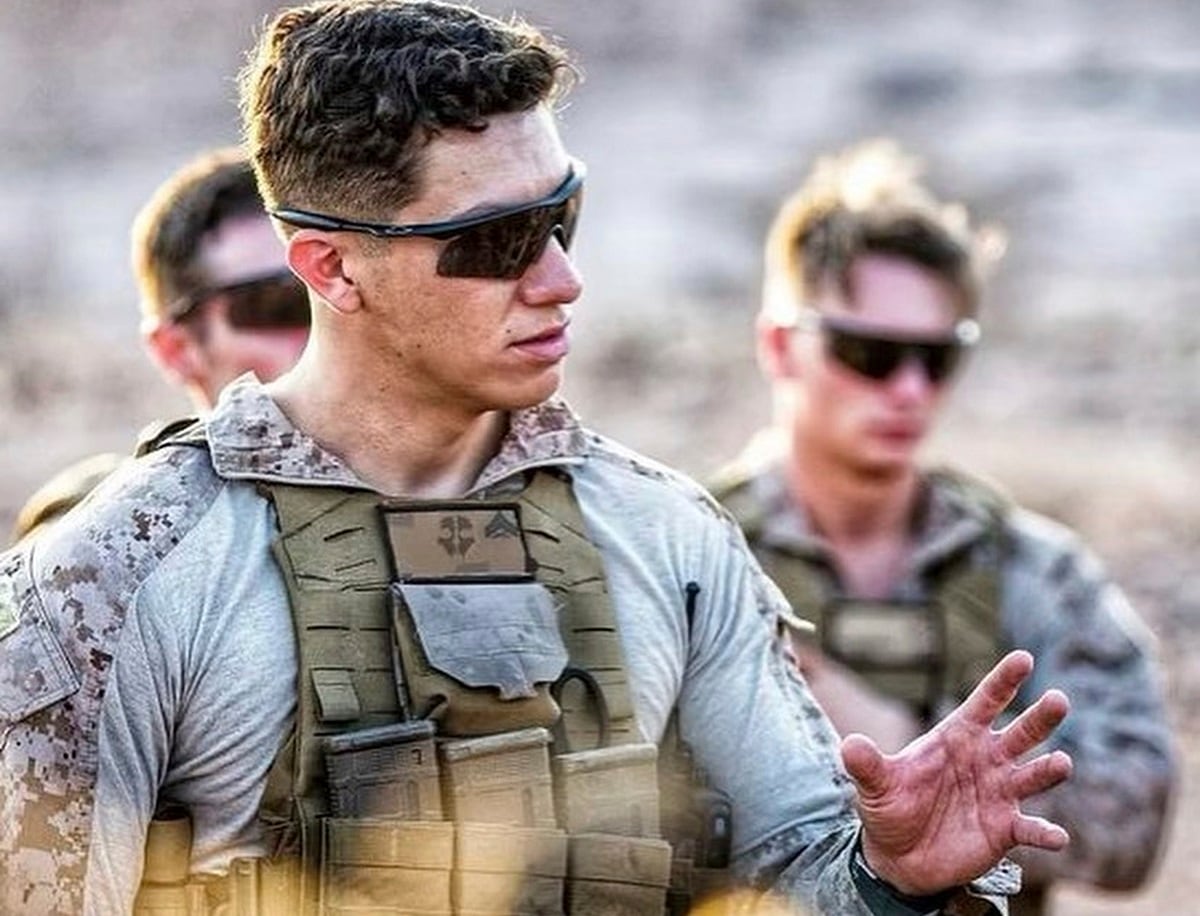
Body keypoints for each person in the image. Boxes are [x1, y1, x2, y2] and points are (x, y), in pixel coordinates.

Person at [0, 5, 1073, 915]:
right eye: (496, 242)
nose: (560, 278)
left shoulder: (666, 536)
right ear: (330, 267)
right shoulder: (118, 574)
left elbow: (800, 868)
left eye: (562, 215)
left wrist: (889, 875)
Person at [709, 140, 1175, 915]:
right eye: (870, 352)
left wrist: (901, 738)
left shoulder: (1033, 568)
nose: (909, 390)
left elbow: (1134, 824)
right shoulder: (690, 554)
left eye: (938, 358)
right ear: (780, 345)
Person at [8, 147, 309, 542]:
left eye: (340, 286)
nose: (326, 330)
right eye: (279, 305)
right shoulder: (113, 535)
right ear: (176, 349)